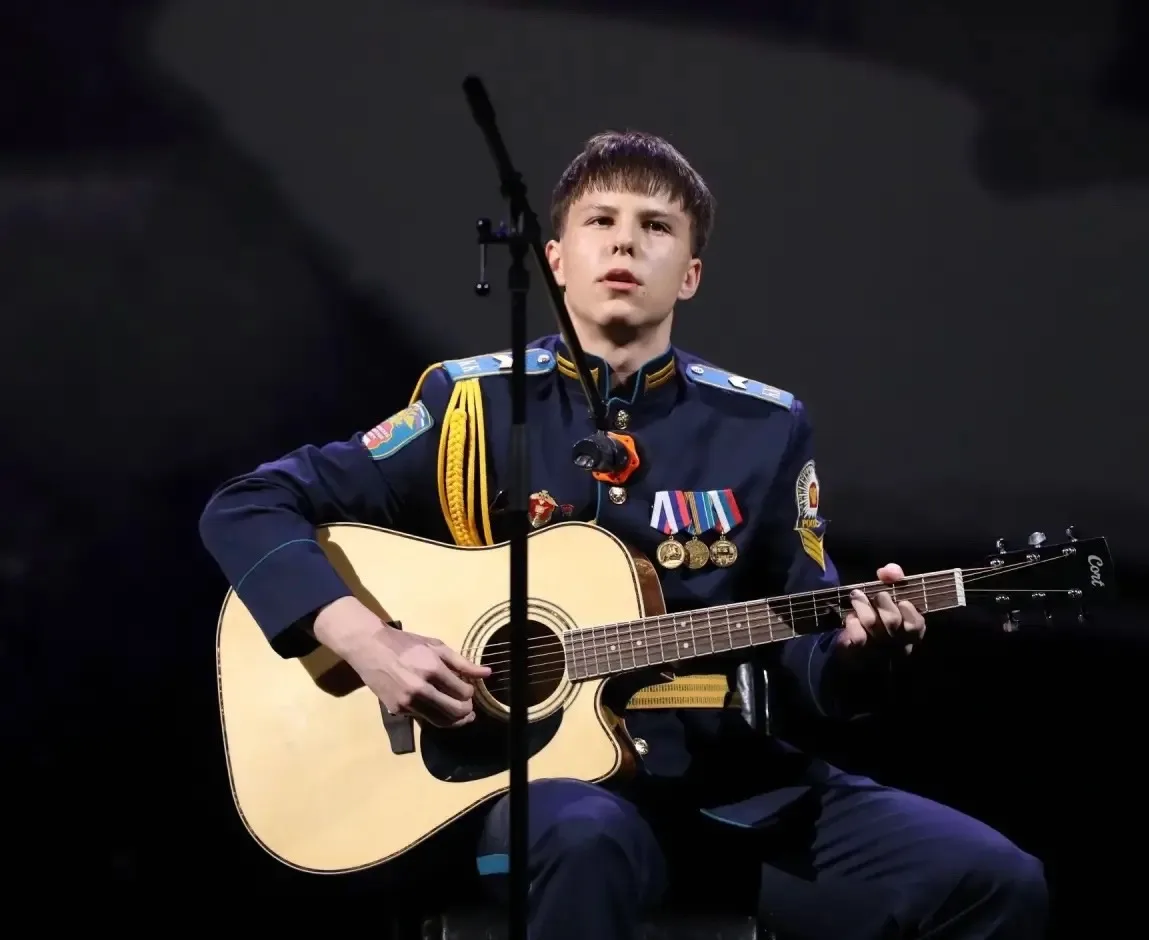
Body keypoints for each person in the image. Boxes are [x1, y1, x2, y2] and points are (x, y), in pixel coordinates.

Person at [198, 130, 1047, 939]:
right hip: (532, 791)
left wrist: (862, 654)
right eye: (600, 220)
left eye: (656, 227)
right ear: (555, 259)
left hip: (730, 787)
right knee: (587, 840)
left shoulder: (764, 427)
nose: (625, 243)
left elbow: (807, 646)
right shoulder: (471, 406)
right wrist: (369, 640)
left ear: (691, 274)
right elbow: (245, 506)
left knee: (993, 881)